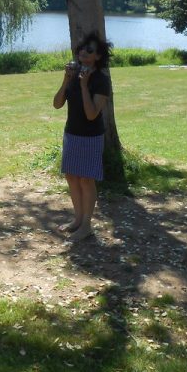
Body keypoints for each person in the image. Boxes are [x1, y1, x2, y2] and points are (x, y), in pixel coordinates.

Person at [53, 32, 112, 242]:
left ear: (98, 56)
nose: (83, 53)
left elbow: (91, 114)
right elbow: (57, 103)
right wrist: (66, 79)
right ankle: (77, 219)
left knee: (86, 180)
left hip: (90, 136)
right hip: (72, 133)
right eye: (81, 49)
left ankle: (86, 225)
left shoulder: (101, 81)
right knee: (71, 176)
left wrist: (84, 86)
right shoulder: (74, 73)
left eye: (89, 50)